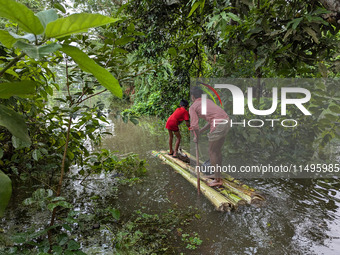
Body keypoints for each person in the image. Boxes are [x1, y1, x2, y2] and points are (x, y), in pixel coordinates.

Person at [189, 86, 230, 187]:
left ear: (193, 97)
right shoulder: (207, 101)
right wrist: (201, 132)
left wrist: (196, 136)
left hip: (219, 124)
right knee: (217, 151)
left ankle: (217, 180)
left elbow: (194, 125)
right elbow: (212, 119)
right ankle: (217, 175)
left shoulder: (193, 107)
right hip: (226, 121)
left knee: (212, 152)